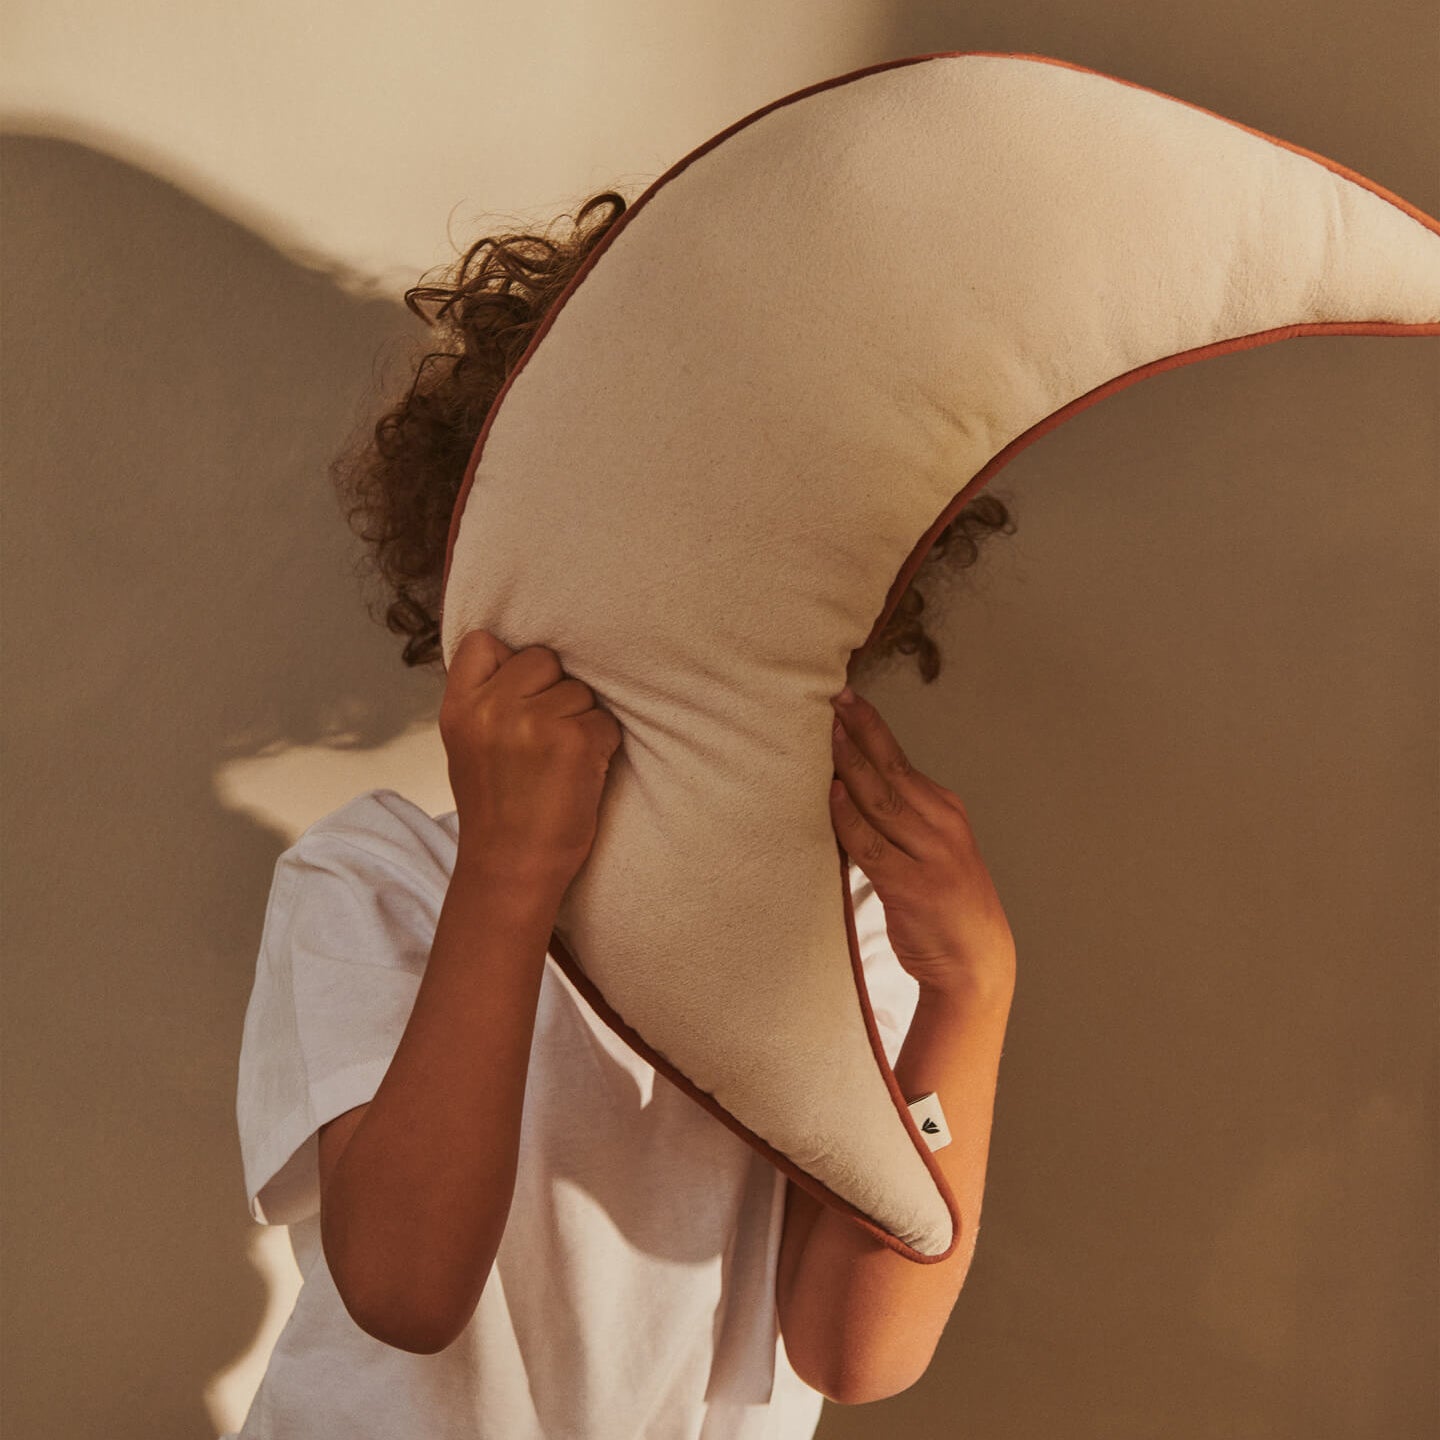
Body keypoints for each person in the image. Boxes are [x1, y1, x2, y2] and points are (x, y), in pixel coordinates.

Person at [227, 189, 1018, 1439]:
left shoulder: (842, 923)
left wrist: (971, 992)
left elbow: (854, 1351)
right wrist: (507, 874)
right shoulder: (376, 878)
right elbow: (405, 1291)